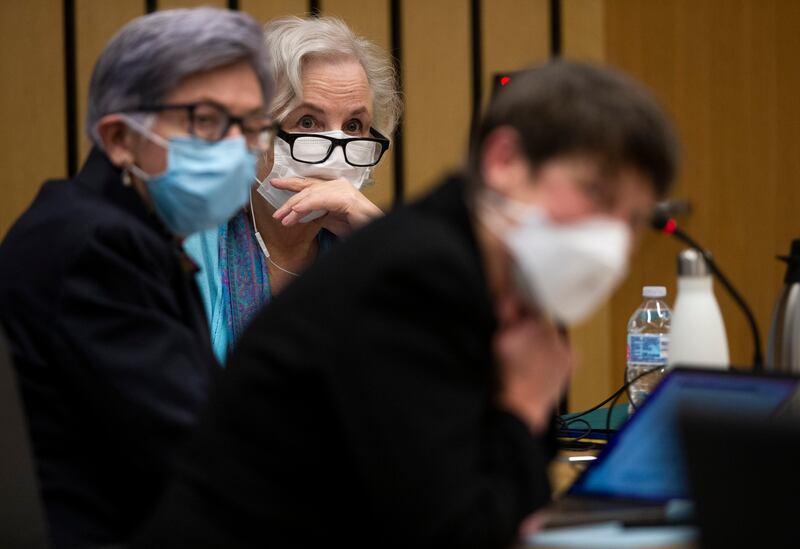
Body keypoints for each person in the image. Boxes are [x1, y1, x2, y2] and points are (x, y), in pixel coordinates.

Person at [132, 61, 677, 548]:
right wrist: (525, 406)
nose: (614, 242)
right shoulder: (415, 278)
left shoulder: (480, 276)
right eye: (597, 197)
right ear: (505, 160)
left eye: (631, 219)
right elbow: (454, 533)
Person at [0, 8, 274, 548]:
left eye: (250, 126)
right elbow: (198, 451)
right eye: (205, 120)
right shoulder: (98, 245)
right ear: (121, 138)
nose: (236, 148)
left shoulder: (132, 231)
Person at [184, 16, 401, 363]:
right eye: (308, 121)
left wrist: (379, 238)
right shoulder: (188, 250)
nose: (336, 145)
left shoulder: (372, 251)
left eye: (354, 125)